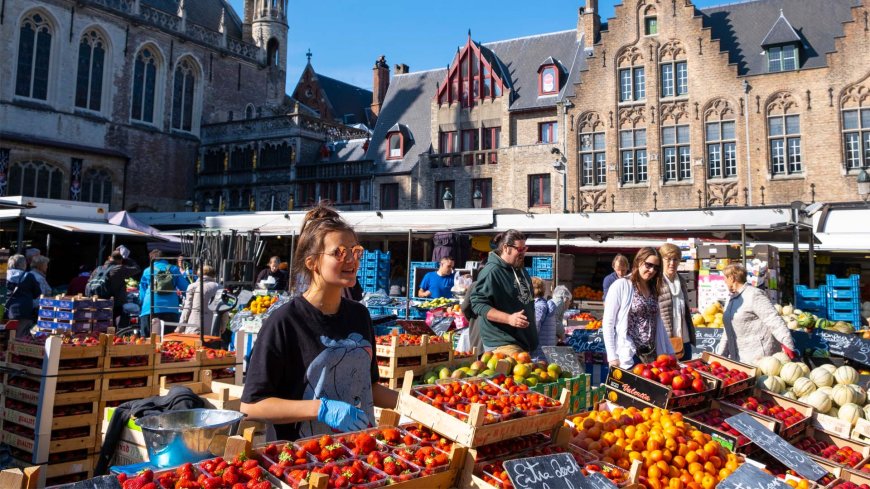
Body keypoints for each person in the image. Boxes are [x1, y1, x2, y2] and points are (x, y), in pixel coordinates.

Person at [241, 203, 398, 440]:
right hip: (300, 461)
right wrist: (320, 409)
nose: (351, 260)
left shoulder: (359, 315)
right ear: (312, 262)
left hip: (356, 455)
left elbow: (370, 386)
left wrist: (419, 403)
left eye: (355, 251)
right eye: (339, 253)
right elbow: (252, 405)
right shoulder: (285, 321)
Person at [603, 247, 674, 369]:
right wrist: (612, 357)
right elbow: (608, 322)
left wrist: (671, 352)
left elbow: (658, 323)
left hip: (652, 354)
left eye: (656, 268)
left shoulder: (653, 289)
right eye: (648, 265)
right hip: (630, 353)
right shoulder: (622, 285)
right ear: (639, 262)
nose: (652, 270)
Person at [469, 230, 538, 356]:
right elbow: (478, 304)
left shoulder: (520, 269)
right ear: (506, 248)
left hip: (524, 341)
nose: (523, 253)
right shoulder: (492, 272)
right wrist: (509, 318)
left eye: (525, 248)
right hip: (503, 343)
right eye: (520, 249)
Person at [716, 264, 796, 364]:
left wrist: (788, 344)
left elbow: (773, 319)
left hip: (758, 358)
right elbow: (727, 331)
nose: (724, 281)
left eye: (725, 278)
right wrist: (720, 357)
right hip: (738, 359)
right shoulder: (730, 300)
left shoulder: (754, 294)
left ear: (731, 278)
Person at [658, 243, 696, 360]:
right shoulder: (657, 282)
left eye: (675, 259)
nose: (672, 263)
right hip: (665, 341)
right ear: (661, 260)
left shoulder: (682, 281)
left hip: (684, 340)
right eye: (668, 259)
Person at [139, 249, 188, 335]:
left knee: (147, 340)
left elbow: (142, 291)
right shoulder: (174, 269)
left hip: (150, 307)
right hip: (171, 309)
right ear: (164, 258)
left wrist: (141, 303)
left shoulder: (147, 270)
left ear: (151, 259)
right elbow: (185, 288)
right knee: (170, 341)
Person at [90, 250, 141, 325]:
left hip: (96, 302)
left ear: (109, 258)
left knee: (98, 326)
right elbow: (137, 269)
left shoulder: (98, 269)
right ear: (121, 260)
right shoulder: (118, 269)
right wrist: (127, 259)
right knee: (111, 326)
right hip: (113, 304)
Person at [179, 265, 222, 335]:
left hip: (195, 324)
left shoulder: (192, 286)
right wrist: (222, 326)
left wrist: (180, 327)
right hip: (214, 325)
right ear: (213, 275)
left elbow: (187, 308)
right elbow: (223, 310)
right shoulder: (219, 287)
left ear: (198, 274)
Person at [4, 254, 41, 336]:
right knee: (18, 338)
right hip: (22, 312)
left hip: (4, 311)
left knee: (4, 338)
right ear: (24, 264)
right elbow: (37, 293)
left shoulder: (3, 275)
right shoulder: (28, 276)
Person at [531, 277, 557, 359]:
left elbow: (535, 328)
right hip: (544, 351)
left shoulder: (539, 306)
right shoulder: (544, 304)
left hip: (538, 353)